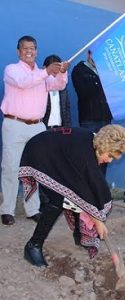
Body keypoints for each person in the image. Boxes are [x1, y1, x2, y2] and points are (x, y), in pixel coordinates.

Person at [18, 125, 125, 267]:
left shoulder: (93, 144)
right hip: (41, 153)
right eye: (109, 155)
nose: (109, 161)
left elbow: (90, 190)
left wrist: (98, 219)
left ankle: (80, 236)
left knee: (75, 195)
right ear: (104, 145)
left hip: (56, 153)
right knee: (58, 200)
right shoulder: (85, 154)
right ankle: (33, 245)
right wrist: (98, 222)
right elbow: (84, 193)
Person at [0, 35, 69, 226]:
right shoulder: (12, 70)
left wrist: (62, 72)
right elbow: (24, 82)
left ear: (37, 51)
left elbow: (59, 85)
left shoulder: (42, 74)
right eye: (25, 48)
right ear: (18, 51)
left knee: (34, 170)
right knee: (11, 168)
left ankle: (32, 209)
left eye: (32, 48)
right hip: (14, 124)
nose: (29, 51)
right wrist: (47, 71)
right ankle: (7, 210)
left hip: (37, 126)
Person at [71, 50, 113, 175]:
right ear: (88, 55)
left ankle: (101, 187)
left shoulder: (107, 70)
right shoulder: (79, 70)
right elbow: (83, 92)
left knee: (105, 153)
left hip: (106, 118)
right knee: (89, 155)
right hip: (89, 120)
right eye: (94, 55)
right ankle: (89, 188)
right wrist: (98, 80)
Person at [42, 55, 72, 129]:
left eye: (58, 70)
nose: (55, 73)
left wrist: (67, 126)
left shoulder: (62, 86)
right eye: (52, 70)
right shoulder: (41, 83)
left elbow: (66, 108)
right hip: (45, 126)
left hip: (61, 127)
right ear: (44, 68)